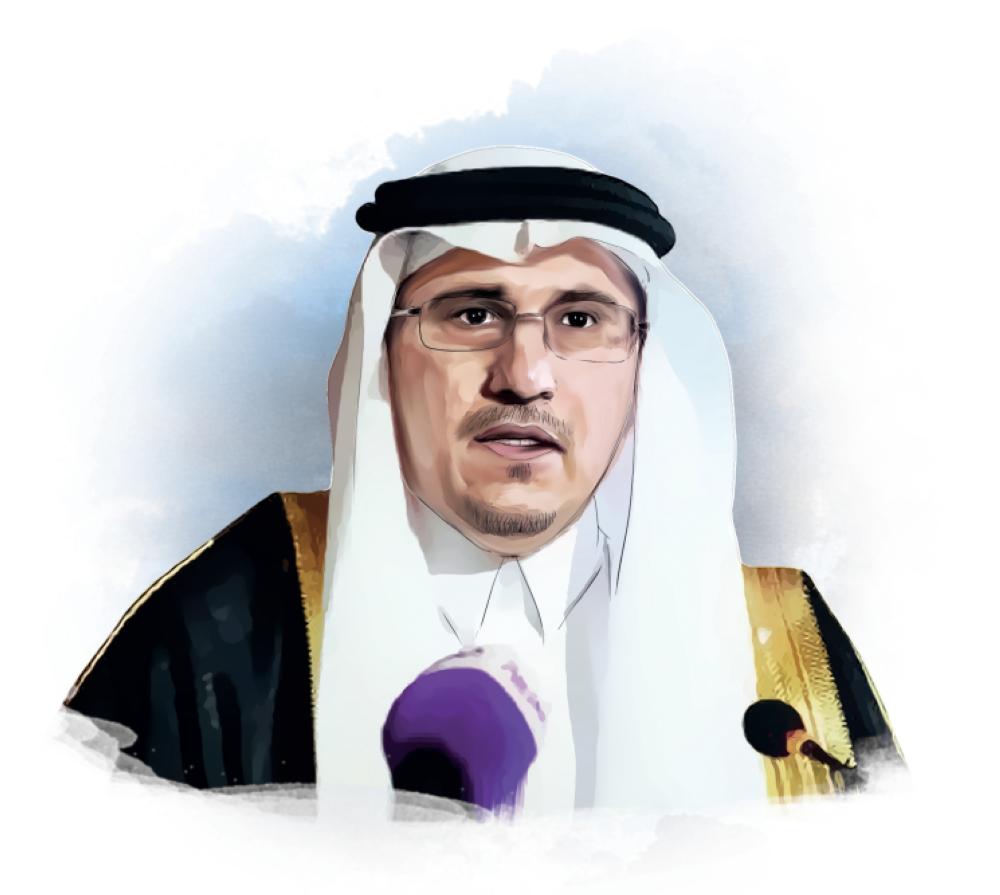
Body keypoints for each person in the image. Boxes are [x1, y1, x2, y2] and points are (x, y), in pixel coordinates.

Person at [62, 146, 904, 816]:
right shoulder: (232, 618)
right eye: (472, 314)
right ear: (384, 358)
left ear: (644, 368)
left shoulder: (781, 648)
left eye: (580, 319)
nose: (525, 375)